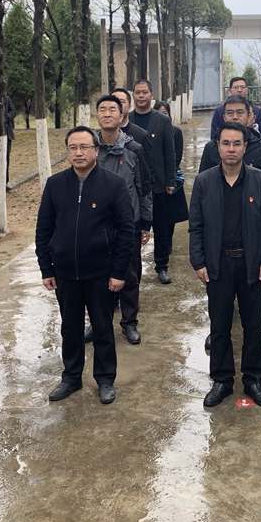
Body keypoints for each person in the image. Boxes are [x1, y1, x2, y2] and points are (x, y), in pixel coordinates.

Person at [36, 127, 136, 405]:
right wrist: (46, 268)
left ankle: (105, 379)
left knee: (103, 327)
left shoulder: (113, 184)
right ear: (67, 152)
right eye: (72, 148)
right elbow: (44, 229)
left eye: (84, 147)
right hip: (65, 272)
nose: (78, 153)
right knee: (70, 327)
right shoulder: (55, 184)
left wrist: (118, 272)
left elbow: (126, 231)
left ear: (96, 151)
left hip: (101, 272)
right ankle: (71, 377)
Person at [189, 122, 261, 408]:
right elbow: (196, 226)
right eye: (226, 143)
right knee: (220, 325)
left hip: (251, 265)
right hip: (217, 265)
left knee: (254, 325)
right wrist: (198, 261)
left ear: (245, 147)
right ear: (217, 146)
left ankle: (253, 379)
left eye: (237, 143)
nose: (231, 149)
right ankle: (222, 380)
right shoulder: (204, 181)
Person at [93, 95, 152, 345]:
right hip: (96, 225)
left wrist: (145, 223)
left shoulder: (134, 149)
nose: (107, 114)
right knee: (97, 277)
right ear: (97, 115)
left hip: (127, 224)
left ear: (121, 115)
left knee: (129, 275)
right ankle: (99, 322)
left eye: (112, 110)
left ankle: (129, 322)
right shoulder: (90, 148)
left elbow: (144, 188)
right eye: (102, 110)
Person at [130, 80, 178, 284]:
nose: (141, 96)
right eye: (137, 92)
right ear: (133, 95)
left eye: (145, 92)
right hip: (133, 182)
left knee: (161, 227)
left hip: (157, 182)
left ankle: (162, 266)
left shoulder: (162, 120)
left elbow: (170, 151)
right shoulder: (127, 119)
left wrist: (170, 180)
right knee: (133, 227)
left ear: (152, 95)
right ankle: (133, 268)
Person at [152, 100, 189, 285]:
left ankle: (165, 253)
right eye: (159, 112)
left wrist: (168, 177)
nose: (162, 115)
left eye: (165, 112)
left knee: (168, 218)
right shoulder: (145, 131)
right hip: (150, 181)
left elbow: (176, 155)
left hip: (168, 179)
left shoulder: (175, 132)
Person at [199, 96, 261, 182]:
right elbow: (202, 181)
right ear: (224, 117)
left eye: (240, 112)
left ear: (249, 116)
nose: (235, 117)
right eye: (230, 113)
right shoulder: (211, 147)